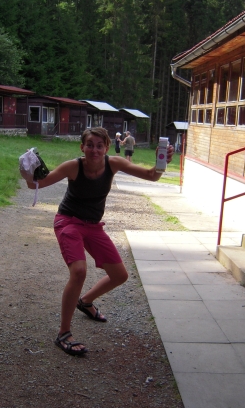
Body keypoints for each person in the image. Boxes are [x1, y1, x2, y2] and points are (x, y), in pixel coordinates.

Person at [22, 127, 173, 357]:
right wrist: (27, 172)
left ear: (107, 147)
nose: (94, 150)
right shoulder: (73, 166)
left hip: (93, 226)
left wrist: (161, 164)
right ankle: (63, 333)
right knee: (79, 271)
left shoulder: (114, 164)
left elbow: (152, 175)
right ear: (82, 147)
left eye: (99, 145)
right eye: (90, 145)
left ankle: (85, 301)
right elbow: (37, 184)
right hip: (68, 222)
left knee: (120, 275)